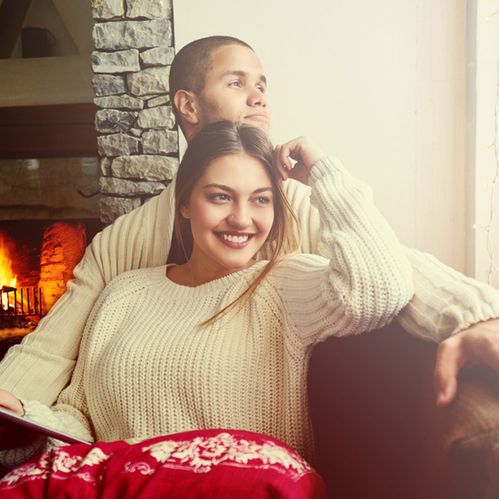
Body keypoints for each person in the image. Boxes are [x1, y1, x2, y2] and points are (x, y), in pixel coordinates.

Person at [0, 35, 498, 428]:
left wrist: (478, 318)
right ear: (188, 106)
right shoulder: (120, 250)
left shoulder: (297, 204)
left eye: (262, 83)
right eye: (238, 83)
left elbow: (392, 267)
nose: (259, 95)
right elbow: (51, 348)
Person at [0, 121, 413, 486]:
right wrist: (27, 419)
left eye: (260, 199)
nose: (242, 218)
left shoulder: (285, 283)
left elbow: (381, 289)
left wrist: (323, 170)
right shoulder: (123, 294)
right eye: (220, 197)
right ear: (184, 203)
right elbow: (82, 420)